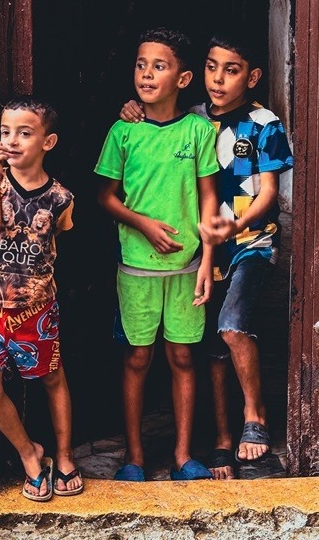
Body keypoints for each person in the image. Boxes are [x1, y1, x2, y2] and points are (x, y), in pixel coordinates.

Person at [121, 31, 293, 480]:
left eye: (231, 70)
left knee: (232, 325)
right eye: (212, 67)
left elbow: (270, 193)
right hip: (205, 250)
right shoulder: (193, 120)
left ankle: (255, 418)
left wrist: (236, 225)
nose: (218, 79)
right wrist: (133, 111)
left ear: (252, 77)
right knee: (211, 347)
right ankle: (220, 438)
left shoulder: (264, 123)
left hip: (251, 241)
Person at [95, 28, 219, 482]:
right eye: (141, 64)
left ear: (184, 79)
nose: (147, 74)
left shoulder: (198, 131)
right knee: (137, 359)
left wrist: (208, 258)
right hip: (136, 267)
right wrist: (143, 224)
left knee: (184, 357)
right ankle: (135, 456)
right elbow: (105, 196)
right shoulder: (124, 131)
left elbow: (209, 198)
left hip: (187, 266)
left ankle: (185, 455)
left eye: (159, 66)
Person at [0, 96, 84, 501]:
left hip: (38, 309)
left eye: (25, 132)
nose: (13, 140)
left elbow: (61, 235)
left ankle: (65, 455)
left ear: (48, 142)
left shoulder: (61, 198)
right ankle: (29, 454)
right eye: (6, 132)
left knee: (51, 378)